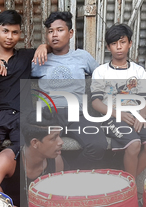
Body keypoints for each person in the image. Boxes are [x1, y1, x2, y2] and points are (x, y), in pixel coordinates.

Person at [0, 10, 49, 171]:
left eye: (14, 32)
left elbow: (57, 46)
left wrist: (44, 46)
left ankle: (14, 185)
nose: (9, 37)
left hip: (22, 116)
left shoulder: (26, 56)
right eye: (5, 31)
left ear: (20, 34)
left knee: (26, 150)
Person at [31, 11, 100, 170]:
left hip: (77, 114)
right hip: (50, 114)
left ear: (70, 33)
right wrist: (43, 47)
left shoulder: (82, 56)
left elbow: (101, 75)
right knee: (43, 147)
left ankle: (73, 174)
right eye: (50, 31)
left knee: (98, 145)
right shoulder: (40, 59)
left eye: (60, 30)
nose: (54, 35)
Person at [91, 24, 146, 179]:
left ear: (130, 43)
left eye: (122, 42)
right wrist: (118, 115)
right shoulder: (101, 71)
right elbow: (95, 102)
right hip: (111, 117)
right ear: (108, 47)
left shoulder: (138, 71)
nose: (119, 47)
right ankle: (131, 188)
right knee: (134, 143)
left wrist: (142, 115)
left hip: (136, 115)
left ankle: (127, 180)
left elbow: (145, 98)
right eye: (114, 43)